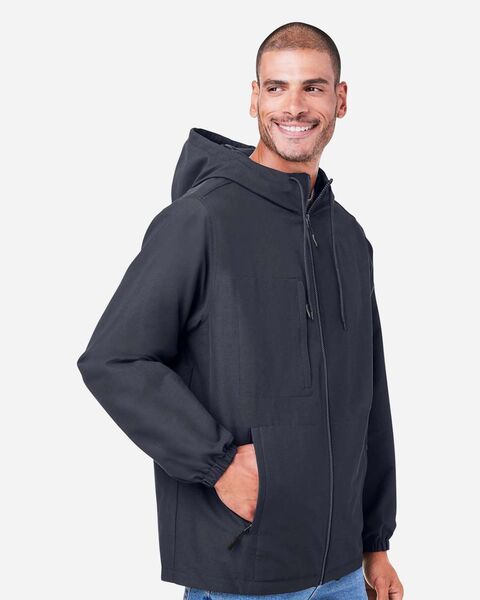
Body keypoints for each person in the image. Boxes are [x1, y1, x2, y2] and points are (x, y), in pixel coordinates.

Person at [77, 21, 404, 600]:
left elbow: (368, 396)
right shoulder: (200, 219)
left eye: (313, 87)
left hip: (344, 573)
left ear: (340, 99)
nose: (294, 106)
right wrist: (219, 464)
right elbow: (115, 359)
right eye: (277, 87)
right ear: (254, 98)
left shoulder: (349, 238)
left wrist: (374, 544)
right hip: (242, 569)